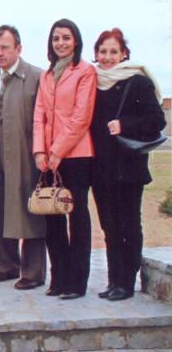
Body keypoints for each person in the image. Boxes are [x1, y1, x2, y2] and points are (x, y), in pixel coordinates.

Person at [90, 28, 166, 301]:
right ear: (96, 54)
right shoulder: (94, 83)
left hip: (128, 169)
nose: (107, 57)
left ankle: (126, 281)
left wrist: (125, 125)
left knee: (128, 226)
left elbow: (157, 121)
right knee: (109, 227)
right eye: (103, 52)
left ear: (124, 54)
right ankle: (113, 280)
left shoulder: (137, 82)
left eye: (113, 51)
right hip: (101, 170)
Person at [33, 18, 96, 300]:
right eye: (56, 38)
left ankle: (76, 282)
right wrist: (40, 151)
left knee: (77, 218)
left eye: (66, 38)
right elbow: (39, 116)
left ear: (76, 41)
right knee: (52, 219)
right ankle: (58, 278)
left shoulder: (85, 72)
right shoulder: (46, 76)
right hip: (48, 158)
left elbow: (81, 117)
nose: (61, 43)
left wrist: (59, 150)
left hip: (76, 155)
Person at [0, 25, 46, 290]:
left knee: (30, 213)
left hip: (26, 158)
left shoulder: (36, 77)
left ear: (18, 48)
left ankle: (33, 272)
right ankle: (7, 265)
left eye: (4, 47)